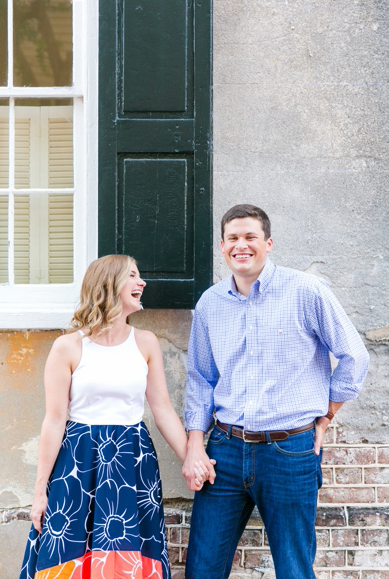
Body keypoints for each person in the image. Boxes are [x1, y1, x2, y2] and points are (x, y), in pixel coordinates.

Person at [182, 204, 370, 579]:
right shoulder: (210, 303)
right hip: (225, 451)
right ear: (222, 246)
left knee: (293, 569)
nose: (242, 245)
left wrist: (327, 414)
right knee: (202, 569)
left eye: (250, 237)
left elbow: (354, 356)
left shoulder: (306, 290)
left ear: (268, 243)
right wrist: (195, 444)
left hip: (290, 451)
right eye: (233, 238)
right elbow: (201, 378)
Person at [20, 254, 209, 579]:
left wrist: (193, 458)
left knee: (129, 558)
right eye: (133, 276)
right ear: (109, 285)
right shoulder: (68, 347)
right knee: (70, 554)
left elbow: (162, 410)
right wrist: (40, 492)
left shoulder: (146, 343)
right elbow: (54, 420)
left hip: (132, 463)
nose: (142, 283)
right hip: (78, 463)